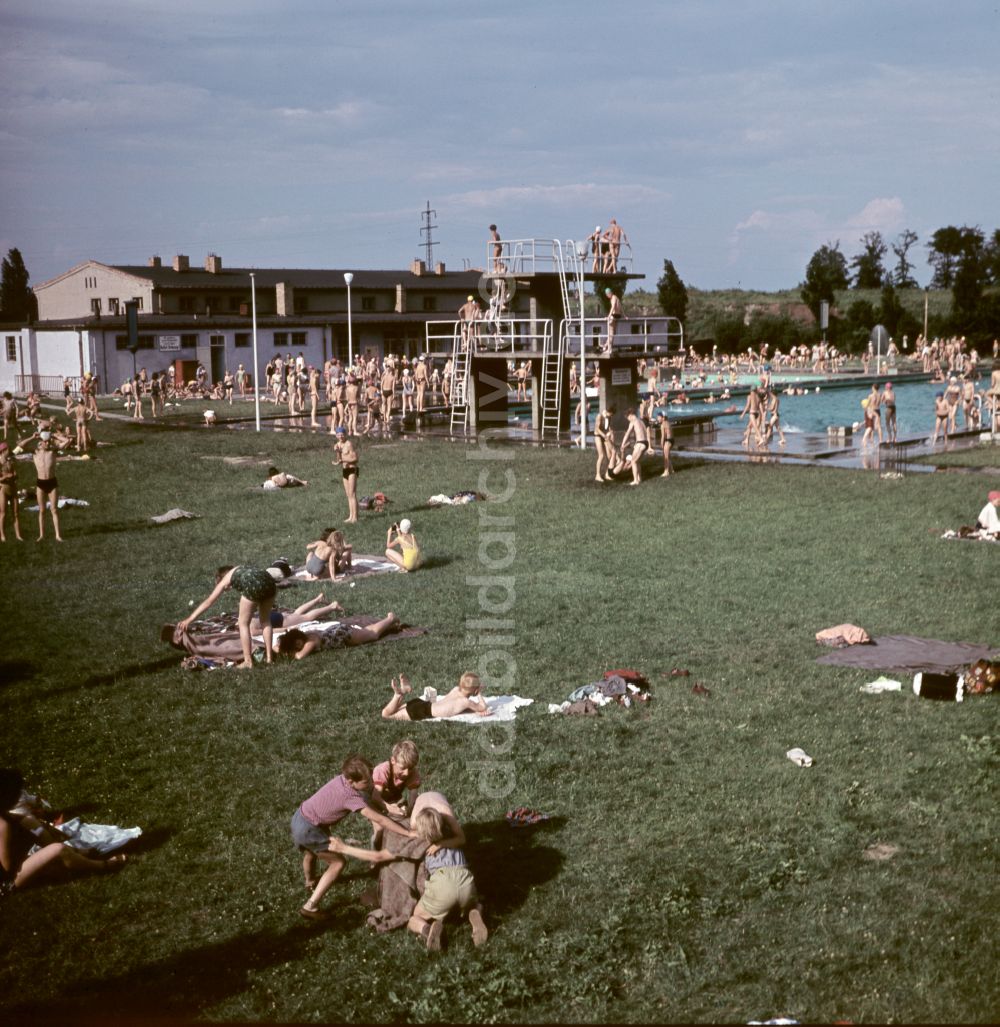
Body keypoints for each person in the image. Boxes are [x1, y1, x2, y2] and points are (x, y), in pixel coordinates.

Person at [292, 755, 415, 920]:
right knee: (338, 862)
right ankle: (311, 906)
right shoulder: (350, 797)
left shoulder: (340, 780)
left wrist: (385, 806)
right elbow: (378, 819)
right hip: (310, 829)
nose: (370, 783)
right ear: (351, 781)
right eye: (365, 782)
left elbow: (370, 794)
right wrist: (407, 833)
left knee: (310, 852)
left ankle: (310, 881)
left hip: (300, 817)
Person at [1, 768, 127, 899]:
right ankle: (102, 866)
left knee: (29, 822)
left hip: (16, 864)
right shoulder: (3, 826)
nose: (18, 797)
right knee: (57, 850)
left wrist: (37, 830)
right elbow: (8, 869)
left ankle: (77, 853)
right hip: (8, 881)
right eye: (16, 794)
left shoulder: (5, 815)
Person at [407, 804, 488, 950]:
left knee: (415, 917)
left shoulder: (424, 845)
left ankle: (426, 928)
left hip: (442, 884)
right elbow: (461, 838)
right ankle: (475, 913)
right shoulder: (453, 839)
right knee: (476, 903)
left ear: (422, 833)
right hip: (465, 880)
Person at [175, 565, 277, 669]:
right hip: (269, 581)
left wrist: (190, 619)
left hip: (253, 584)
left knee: (243, 623)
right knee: (265, 621)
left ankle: (248, 661)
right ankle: (269, 658)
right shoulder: (240, 569)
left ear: (220, 578)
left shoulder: (226, 579)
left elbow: (209, 601)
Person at [275, 611, 401, 659]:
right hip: (339, 633)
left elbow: (300, 656)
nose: (298, 647)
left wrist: (289, 653)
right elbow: (277, 645)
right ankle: (390, 625)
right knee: (367, 631)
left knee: (372, 634)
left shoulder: (310, 641)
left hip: (342, 634)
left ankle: (390, 619)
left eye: (296, 645)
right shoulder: (307, 637)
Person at [381, 671, 492, 721]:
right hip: (423, 711)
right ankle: (398, 694)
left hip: (421, 704)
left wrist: (474, 710)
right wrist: (479, 693)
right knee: (386, 716)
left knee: (388, 712)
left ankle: (401, 693)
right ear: (474, 690)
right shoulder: (465, 702)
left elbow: (457, 708)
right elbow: (483, 707)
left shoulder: (455, 689)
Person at [32, 432, 63, 542]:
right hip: (40, 483)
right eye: (45, 441)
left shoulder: (53, 452)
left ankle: (58, 535)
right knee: (42, 510)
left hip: (52, 482)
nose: (47, 443)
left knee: (54, 510)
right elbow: (20, 445)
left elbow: (67, 441)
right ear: (40, 443)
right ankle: (41, 535)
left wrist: (54, 436)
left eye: (48, 441)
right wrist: (32, 437)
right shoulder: (35, 453)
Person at [332, 427, 359, 524]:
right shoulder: (338, 444)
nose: (340, 436)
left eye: (342, 434)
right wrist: (337, 452)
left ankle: (355, 517)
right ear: (336, 435)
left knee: (352, 494)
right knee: (348, 495)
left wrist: (344, 460)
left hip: (352, 469)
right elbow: (339, 459)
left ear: (345, 434)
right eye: (338, 434)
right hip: (344, 470)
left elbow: (355, 458)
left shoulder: (349, 444)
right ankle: (351, 516)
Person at [616, 409, 649, 485]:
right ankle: (639, 479)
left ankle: (635, 481)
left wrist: (622, 444)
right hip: (645, 443)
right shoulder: (641, 421)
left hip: (640, 443)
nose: (628, 420)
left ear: (630, 415)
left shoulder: (633, 421)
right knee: (637, 461)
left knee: (633, 461)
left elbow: (627, 434)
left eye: (627, 418)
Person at [0, 442, 23, 542]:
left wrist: (14, 475)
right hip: (3, 489)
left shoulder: (10, 461)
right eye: (7, 450)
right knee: (3, 513)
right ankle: (2, 535)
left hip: (13, 488)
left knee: (16, 513)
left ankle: (18, 535)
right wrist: (6, 476)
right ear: (3, 451)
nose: (9, 451)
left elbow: (16, 474)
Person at [594, 406, 615, 482]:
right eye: (610, 414)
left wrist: (611, 433)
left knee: (609, 456)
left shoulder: (609, 417)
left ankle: (607, 474)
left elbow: (608, 427)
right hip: (598, 435)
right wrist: (604, 436)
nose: (611, 416)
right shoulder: (599, 416)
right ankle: (597, 475)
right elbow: (597, 428)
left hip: (605, 436)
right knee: (601, 455)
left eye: (612, 415)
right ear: (607, 411)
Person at [656, 411, 674, 477]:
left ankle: (666, 471)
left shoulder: (662, 425)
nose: (657, 418)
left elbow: (663, 436)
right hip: (671, 440)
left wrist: (661, 444)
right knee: (668, 456)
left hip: (667, 441)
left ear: (663, 418)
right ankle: (671, 470)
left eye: (658, 417)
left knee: (665, 457)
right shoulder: (668, 423)